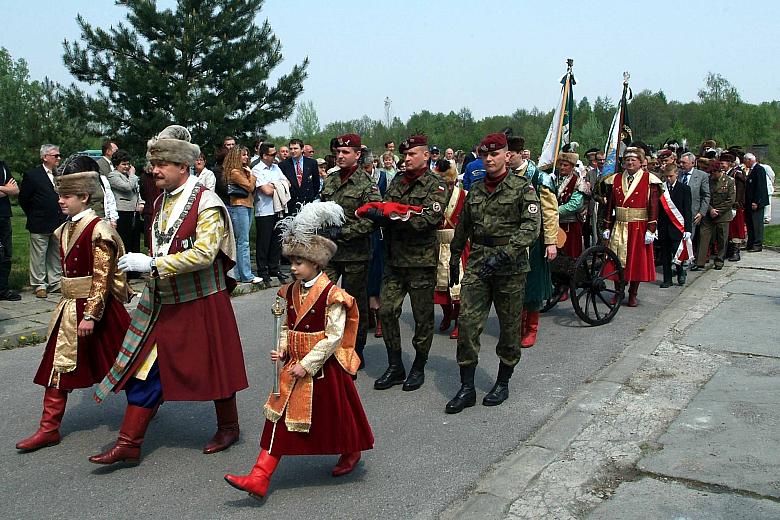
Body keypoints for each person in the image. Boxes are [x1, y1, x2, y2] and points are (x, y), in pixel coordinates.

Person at [89, 125, 249, 465]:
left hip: (201, 297)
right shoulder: (161, 199)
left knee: (214, 365)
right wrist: (149, 264)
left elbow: (205, 254)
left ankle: (229, 427)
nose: (154, 170)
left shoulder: (208, 202)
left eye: (162, 164)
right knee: (145, 366)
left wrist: (151, 262)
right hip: (163, 299)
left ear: (183, 165)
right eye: (154, 163)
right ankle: (129, 442)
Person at [224, 201, 374, 499]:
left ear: (317, 263)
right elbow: (284, 325)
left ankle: (351, 450)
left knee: (335, 415)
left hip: (322, 366)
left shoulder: (334, 295)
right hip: (293, 365)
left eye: (298, 262)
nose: (292, 268)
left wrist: (307, 363)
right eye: (291, 261)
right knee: (278, 418)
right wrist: (282, 349)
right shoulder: (289, 290)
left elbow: (333, 337)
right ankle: (260, 475)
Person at [16, 171, 131, 451]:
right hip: (69, 308)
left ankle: (148, 404)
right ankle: (49, 428)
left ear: (83, 197)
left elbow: (102, 276)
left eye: (66, 197)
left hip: (98, 309)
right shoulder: (66, 227)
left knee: (126, 363)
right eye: (59, 196)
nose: (61, 201)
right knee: (57, 366)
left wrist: (91, 315)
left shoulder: (99, 230)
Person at [445, 132, 540, 414]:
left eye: (495, 154)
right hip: (477, 264)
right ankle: (467, 388)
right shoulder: (474, 189)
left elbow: (530, 228)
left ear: (507, 156)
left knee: (510, 327)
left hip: (509, 267)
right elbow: (463, 225)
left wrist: (505, 254)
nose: (489, 159)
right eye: (485, 154)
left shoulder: (523, 188)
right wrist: (453, 256)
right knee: (468, 324)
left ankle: (502, 381)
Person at [367, 135, 448, 392]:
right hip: (394, 260)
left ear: (426, 155)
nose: (407, 158)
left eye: (413, 154)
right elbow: (387, 207)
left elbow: (427, 220)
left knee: (423, 318)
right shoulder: (397, 182)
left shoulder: (436, 184)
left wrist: (392, 215)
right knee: (387, 311)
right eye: (406, 154)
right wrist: (380, 214)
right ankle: (395, 365)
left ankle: (418, 366)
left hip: (421, 262)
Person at [319, 134, 382, 368]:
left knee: (355, 303)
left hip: (356, 254)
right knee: (325, 299)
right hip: (330, 254)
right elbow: (321, 211)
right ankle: (328, 347)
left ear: (357, 155)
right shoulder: (330, 181)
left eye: (346, 152)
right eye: (338, 152)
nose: (341, 156)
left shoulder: (367, 184)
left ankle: (356, 348)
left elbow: (372, 220)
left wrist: (343, 232)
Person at [509, 136, 557, 348]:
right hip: (510, 241)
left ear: (521, 153)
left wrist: (550, 242)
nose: (507, 158)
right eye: (505, 154)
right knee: (511, 285)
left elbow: (549, 211)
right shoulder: (504, 177)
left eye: (511, 154)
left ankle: (531, 328)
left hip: (534, 241)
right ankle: (516, 325)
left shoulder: (540, 178)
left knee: (533, 286)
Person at [602, 147, 663, 307]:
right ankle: (618, 292)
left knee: (636, 262)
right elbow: (609, 205)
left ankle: (633, 294)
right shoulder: (614, 179)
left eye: (633, 160)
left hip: (639, 227)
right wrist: (607, 225)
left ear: (641, 162)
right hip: (619, 225)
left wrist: (651, 229)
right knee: (616, 261)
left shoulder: (650, 180)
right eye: (627, 160)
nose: (629, 162)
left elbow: (654, 206)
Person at [18, 144, 67, 298]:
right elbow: (24, 198)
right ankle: (39, 284)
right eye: (55, 156)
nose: (59, 158)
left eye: (59, 155)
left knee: (55, 253)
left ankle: (55, 283)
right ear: (45, 157)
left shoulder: (59, 174)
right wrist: (33, 214)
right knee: (39, 255)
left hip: (58, 221)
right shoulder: (33, 175)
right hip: (40, 221)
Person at [433, 158, 467, 339]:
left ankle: (459, 321)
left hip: (459, 245)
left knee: (458, 285)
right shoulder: (433, 196)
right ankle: (447, 313)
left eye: (448, 181)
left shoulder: (464, 195)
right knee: (440, 287)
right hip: (438, 244)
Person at [252, 142, 290, 285]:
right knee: (264, 242)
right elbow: (266, 191)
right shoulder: (257, 170)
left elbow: (287, 183)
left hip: (278, 209)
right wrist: (278, 184)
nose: (275, 157)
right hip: (264, 210)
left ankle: (274, 267)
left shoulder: (276, 168)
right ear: (264, 155)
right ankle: (263, 269)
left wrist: (274, 184)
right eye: (272, 154)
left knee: (276, 240)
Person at [225, 145, 260, 283]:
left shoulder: (243, 171)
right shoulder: (235, 172)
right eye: (243, 155)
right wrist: (252, 175)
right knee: (243, 242)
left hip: (247, 205)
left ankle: (240, 274)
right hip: (239, 206)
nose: (246, 157)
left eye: (247, 155)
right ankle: (247, 275)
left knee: (242, 241)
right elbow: (250, 187)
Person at [692, 160, 735, 271]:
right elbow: (705, 196)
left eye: (713, 173)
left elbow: (730, 200)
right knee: (703, 236)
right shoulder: (708, 181)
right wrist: (710, 209)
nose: (711, 175)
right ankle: (700, 261)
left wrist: (718, 211)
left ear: (719, 171)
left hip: (723, 215)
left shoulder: (729, 181)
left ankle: (719, 261)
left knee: (722, 239)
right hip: (709, 213)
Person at [657, 164, 692, 287]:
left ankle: (680, 272)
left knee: (678, 253)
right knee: (665, 255)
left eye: (670, 176)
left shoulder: (684, 189)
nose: (668, 179)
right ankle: (667, 280)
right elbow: (658, 210)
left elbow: (687, 210)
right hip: (663, 227)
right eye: (666, 176)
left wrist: (688, 229)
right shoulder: (661, 189)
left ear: (676, 174)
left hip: (678, 227)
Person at [107, 150, 144, 261]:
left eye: (128, 164)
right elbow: (127, 187)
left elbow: (136, 191)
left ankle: (135, 271)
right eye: (123, 164)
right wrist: (132, 175)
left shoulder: (130, 176)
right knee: (125, 240)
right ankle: (124, 270)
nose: (127, 166)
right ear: (116, 164)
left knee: (135, 240)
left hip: (134, 212)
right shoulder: (113, 176)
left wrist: (141, 203)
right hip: (122, 211)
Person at [678, 152, 710, 260]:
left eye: (684, 163)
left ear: (692, 163)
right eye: (680, 162)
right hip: (677, 213)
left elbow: (706, 195)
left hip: (693, 213)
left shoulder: (702, 176)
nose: (681, 165)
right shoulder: (678, 174)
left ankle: (685, 262)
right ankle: (677, 262)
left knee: (688, 239)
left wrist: (702, 213)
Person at [556, 152, 587, 261]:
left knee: (571, 254)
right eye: (561, 164)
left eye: (566, 165)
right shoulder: (555, 180)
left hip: (570, 225)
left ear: (572, 167)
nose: (562, 167)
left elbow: (575, 204)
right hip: (555, 224)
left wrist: (554, 211)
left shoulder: (578, 182)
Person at [279, 139, 319, 214]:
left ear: (302, 149)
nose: (293, 151)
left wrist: (311, 197)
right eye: (291, 149)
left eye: (295, 148)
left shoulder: (312, 163)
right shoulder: (283, 165)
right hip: (291, 205)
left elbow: (316, 183)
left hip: (308, 205)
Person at [0, 158, 20, 301]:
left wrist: (4, 189)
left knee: (6, 254)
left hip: (4, 216)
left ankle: (3, 288)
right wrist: (6, 188)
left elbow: (15, 190)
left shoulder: (2, 165)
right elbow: (10, 189)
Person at [743, 153, 769, 252]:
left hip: (756, 202)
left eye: (745, 162)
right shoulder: (752, 170)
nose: (745, 164)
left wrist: (756, 201)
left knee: (757, 224)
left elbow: (760, 187)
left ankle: (757, 244)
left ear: (749, 160)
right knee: (750, 224)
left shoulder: (759, 169)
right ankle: (751, 243)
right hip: (749, 203)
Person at [723, 152, 747, 261]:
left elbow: (740, 192)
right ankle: (728, 251)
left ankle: (736, 252)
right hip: (726, 206)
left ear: (730, 164)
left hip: (735, 207)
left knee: (736, 230)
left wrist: (736, 205)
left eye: (724, 163)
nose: (722, 165)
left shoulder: (736, 174)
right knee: (728, 230)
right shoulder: (725, 174)